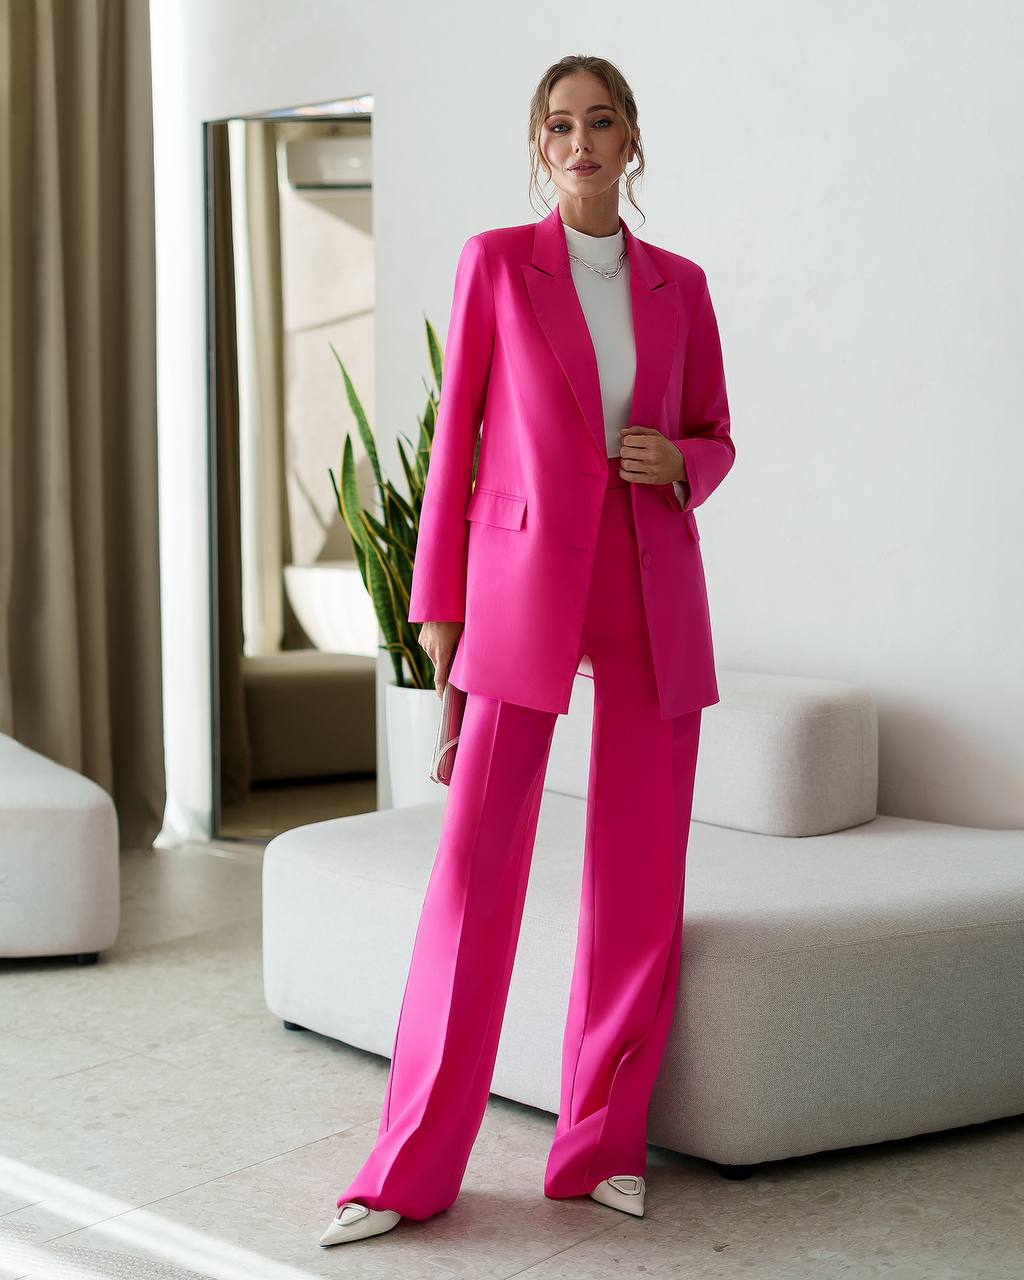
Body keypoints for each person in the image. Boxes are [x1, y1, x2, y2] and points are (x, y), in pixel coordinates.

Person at [321, 53, 735, 1248]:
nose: (581, 141)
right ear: (537, 145)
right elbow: (453, 450)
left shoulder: (681, 285)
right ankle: (406, 1167)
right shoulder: (498, 263)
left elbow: (712, 432)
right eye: (560, 125)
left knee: (640, 876)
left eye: (601, 122)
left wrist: (682, 465)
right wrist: (440, 625)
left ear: (632, 140)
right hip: (520, 586)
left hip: (652, 582)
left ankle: (599, 1144)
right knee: (474, 874)